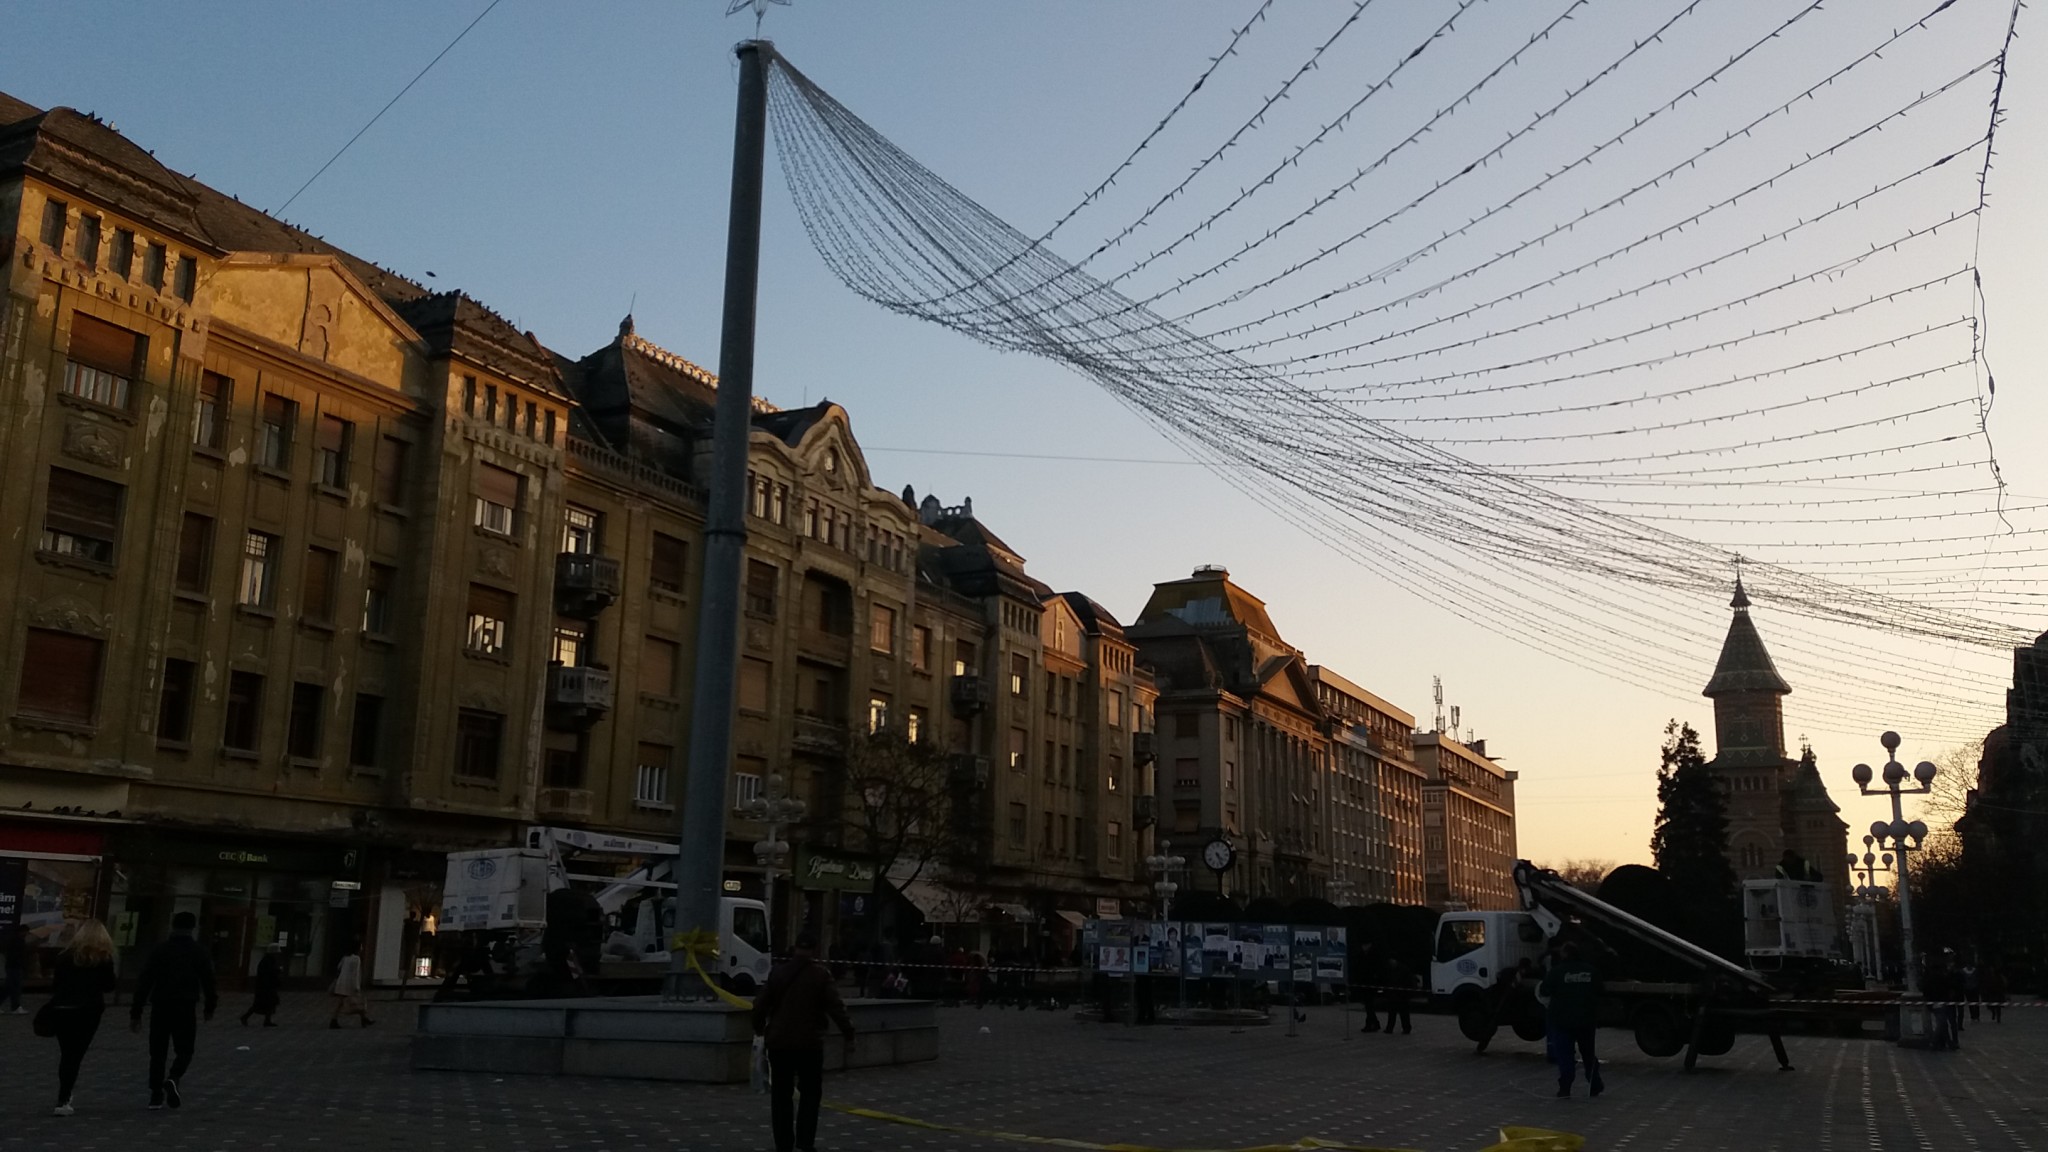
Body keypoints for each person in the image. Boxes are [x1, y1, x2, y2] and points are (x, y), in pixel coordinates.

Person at [752, 933, 856, 1152]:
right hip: (810, 1044)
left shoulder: (778, 973)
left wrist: (760, 1029)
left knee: (781, 1096)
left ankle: (783, 1144)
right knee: (810, 1094)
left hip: (779, 1043)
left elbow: (760, 1005)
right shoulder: (821, 975)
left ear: (794, 948)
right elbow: (836, 1008)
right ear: (815, 951)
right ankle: (805, 1142)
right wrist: (849, 1034)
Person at [130, 911, 218, 1110]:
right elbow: (209, 981)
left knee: (158, 1051)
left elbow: (145, 981)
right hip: (186, 1005)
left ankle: (155, 1095)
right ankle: (174, 1076)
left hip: (161, 1005)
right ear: (193, 927)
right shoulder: (199, 951)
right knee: (185, 1049)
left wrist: (136, 1012)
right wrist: (210, 1006)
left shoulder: (160, 950)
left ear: (173, 925)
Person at [47, 919, 118, 1115]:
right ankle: (64, 1097)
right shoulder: (103, 958)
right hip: (89, 1010)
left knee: (67, 1053)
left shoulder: (64, 956)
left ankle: (64, 1095)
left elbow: (56, 985)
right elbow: (109, 986)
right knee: (76, 1054)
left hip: (63, 1008)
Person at [1539, 941, 1603, 1098]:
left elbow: (1544, 990)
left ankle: (1565, 1087)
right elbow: (1600, 990)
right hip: (1586, 1020)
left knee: (1565, 1054)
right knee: (1588, 1054)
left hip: (1562, 1020)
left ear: (1565, 954)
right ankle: (1594, 1084)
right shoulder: (1591, 971)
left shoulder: (1557, 971)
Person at [330, 940, 375, 1028]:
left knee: (340, 1002)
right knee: (358, 1001)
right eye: (361, 946)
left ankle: (363, 1018)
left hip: (341, 982)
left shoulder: (345, 958)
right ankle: (363, 1018)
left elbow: (339, 967)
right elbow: (356, 974)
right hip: (350, 983)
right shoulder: (356, 959)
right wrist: (357, 986)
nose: (362, 948)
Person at [242, 942, 283, 1027]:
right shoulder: (268, 961)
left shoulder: (269, 960)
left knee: (269, 1003)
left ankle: (267, 1020)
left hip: (267, 986)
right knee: (262, 1004)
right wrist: (278, 971)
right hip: (265, 986)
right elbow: (269, 973)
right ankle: (246, 1017)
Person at [2, 924, 25, 1014]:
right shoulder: (18, 941)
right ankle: (15, 1007)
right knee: (15, 987)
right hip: (15, 966)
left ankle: (15, 1006)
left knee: (9, 987)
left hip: (11, 966)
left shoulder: (12, 940)